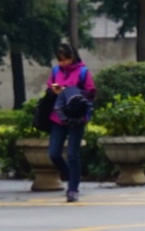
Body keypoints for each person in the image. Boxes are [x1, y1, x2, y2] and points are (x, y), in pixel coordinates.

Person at [46, 43, 96, 203]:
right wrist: (60, 90)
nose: (62, 63)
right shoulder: (55, 71)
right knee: (54, 154)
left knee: (73, 154)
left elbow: (91, 91)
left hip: (77, 117)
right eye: (59, 60)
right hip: (58, 116)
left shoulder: (83, 72)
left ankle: (73, 189)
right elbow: (50, 85)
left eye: (65, 60)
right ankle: (70, 175)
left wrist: (74, 92)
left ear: (72, 57)